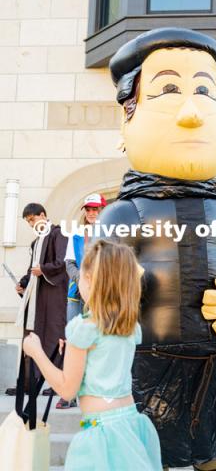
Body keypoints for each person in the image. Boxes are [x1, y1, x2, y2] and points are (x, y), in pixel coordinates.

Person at [97, 27, 216, 470]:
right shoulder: (124, 214)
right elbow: (96, 293)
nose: (192, 112)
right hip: (145, 363)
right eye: (168, 90)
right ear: (128, 114)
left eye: (205, 90)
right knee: (143, 454)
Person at [22, 239, 162, 471]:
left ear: (88, 280)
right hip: (131, 423)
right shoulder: (130, 326)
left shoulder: (84, 328)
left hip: (101, 434)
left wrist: (36, 352)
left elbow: (67, 390)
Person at [6, 203, 68, 396]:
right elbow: (31, 269)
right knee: (31, 337)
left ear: (42, 215)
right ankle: (27, 383)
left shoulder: (59, 234)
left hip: (54, 295)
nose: (32, 224)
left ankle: (58, 384)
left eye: (33, 219)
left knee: (55, 336)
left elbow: (62, 262)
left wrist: (43, 270)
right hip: (37, 296)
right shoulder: (36, 242)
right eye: (28, 222)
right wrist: (23, 284)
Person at [58, 193, 107, 409]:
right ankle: (70, 392)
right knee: (73, 339)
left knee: (98, 341)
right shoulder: (76, 233)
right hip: (76, 292)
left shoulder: (110, 233)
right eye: (88, 209)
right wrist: (80, 279)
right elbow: (69, 262)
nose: (91, 213)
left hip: (100, 292)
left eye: (95, 209)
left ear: (102, 210)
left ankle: (94, 389)